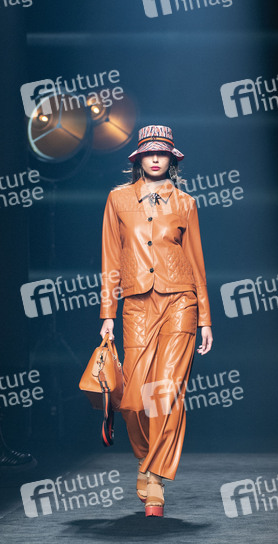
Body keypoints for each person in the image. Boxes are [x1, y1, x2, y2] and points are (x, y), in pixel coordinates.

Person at [99, 124, 213, 517]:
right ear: (138, 158)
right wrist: (107, 314)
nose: (155, 158)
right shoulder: (117, 200)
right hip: (135, 306)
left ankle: (156, 481)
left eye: (162, 152)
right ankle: (146, 459)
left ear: (171, 159)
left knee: (166, 392)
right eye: (149, 152)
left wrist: (205, 318)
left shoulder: (186, 203)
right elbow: (110, 260)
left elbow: (197, 262)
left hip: (181, 301)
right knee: (133, 398)